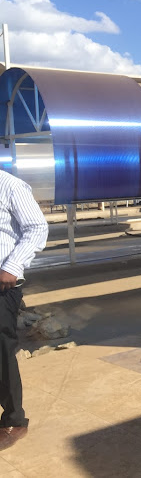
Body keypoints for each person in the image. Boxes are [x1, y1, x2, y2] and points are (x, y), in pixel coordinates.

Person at [0, 170, 48, 450]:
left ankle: (14, 420)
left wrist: (11, 267)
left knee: (2, 349)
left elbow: (37, 227)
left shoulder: (10, 185)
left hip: (2, 283)